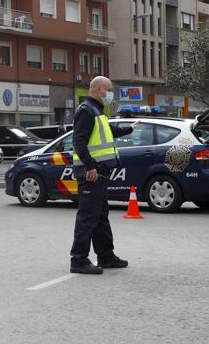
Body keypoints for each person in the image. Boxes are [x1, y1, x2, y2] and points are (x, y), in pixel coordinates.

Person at [70, 76, 138, 274]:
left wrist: (129, 129)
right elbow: (79, 142)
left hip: (100, 172)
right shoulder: (86, 111)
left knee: (100, 216)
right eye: (109, 90)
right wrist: (90, 166)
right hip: (92, 172)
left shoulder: (97, 111)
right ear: (99, 89)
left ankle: (106, 256)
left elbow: (108, 132)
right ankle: (79, 260)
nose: (111, 94)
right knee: (88, 217)